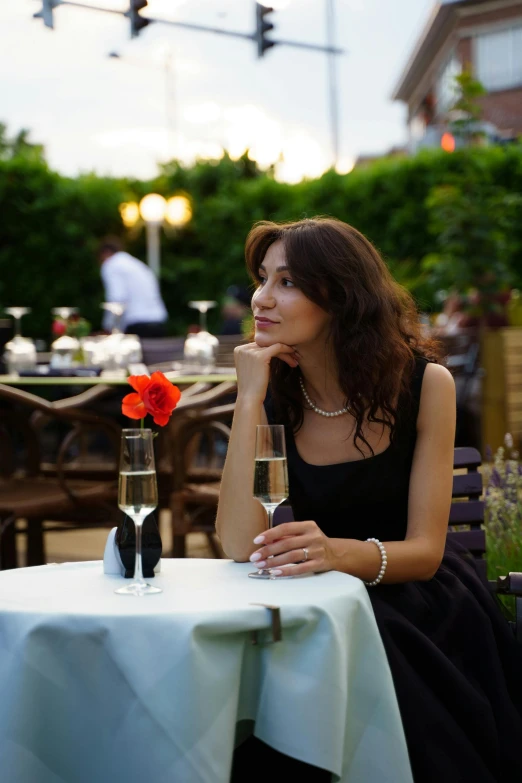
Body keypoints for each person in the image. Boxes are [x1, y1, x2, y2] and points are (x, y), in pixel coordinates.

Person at [216, 217, 522, 782]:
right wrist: (249, 396)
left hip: (413, 603)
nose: (260, 298)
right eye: (262, 279)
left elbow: (427, 552)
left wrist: (336, 554)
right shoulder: (275, 390)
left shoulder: (425, 384)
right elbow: (237, 542)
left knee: (362, 645)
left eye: (286, 282)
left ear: (339, 294)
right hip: (318, 601)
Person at [97, 237, 168, 337]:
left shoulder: (111, 264)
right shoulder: (136, 264)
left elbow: (117, 298)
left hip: (136, 324)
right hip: (158, 321)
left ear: (105, 253)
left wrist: (108, 327)